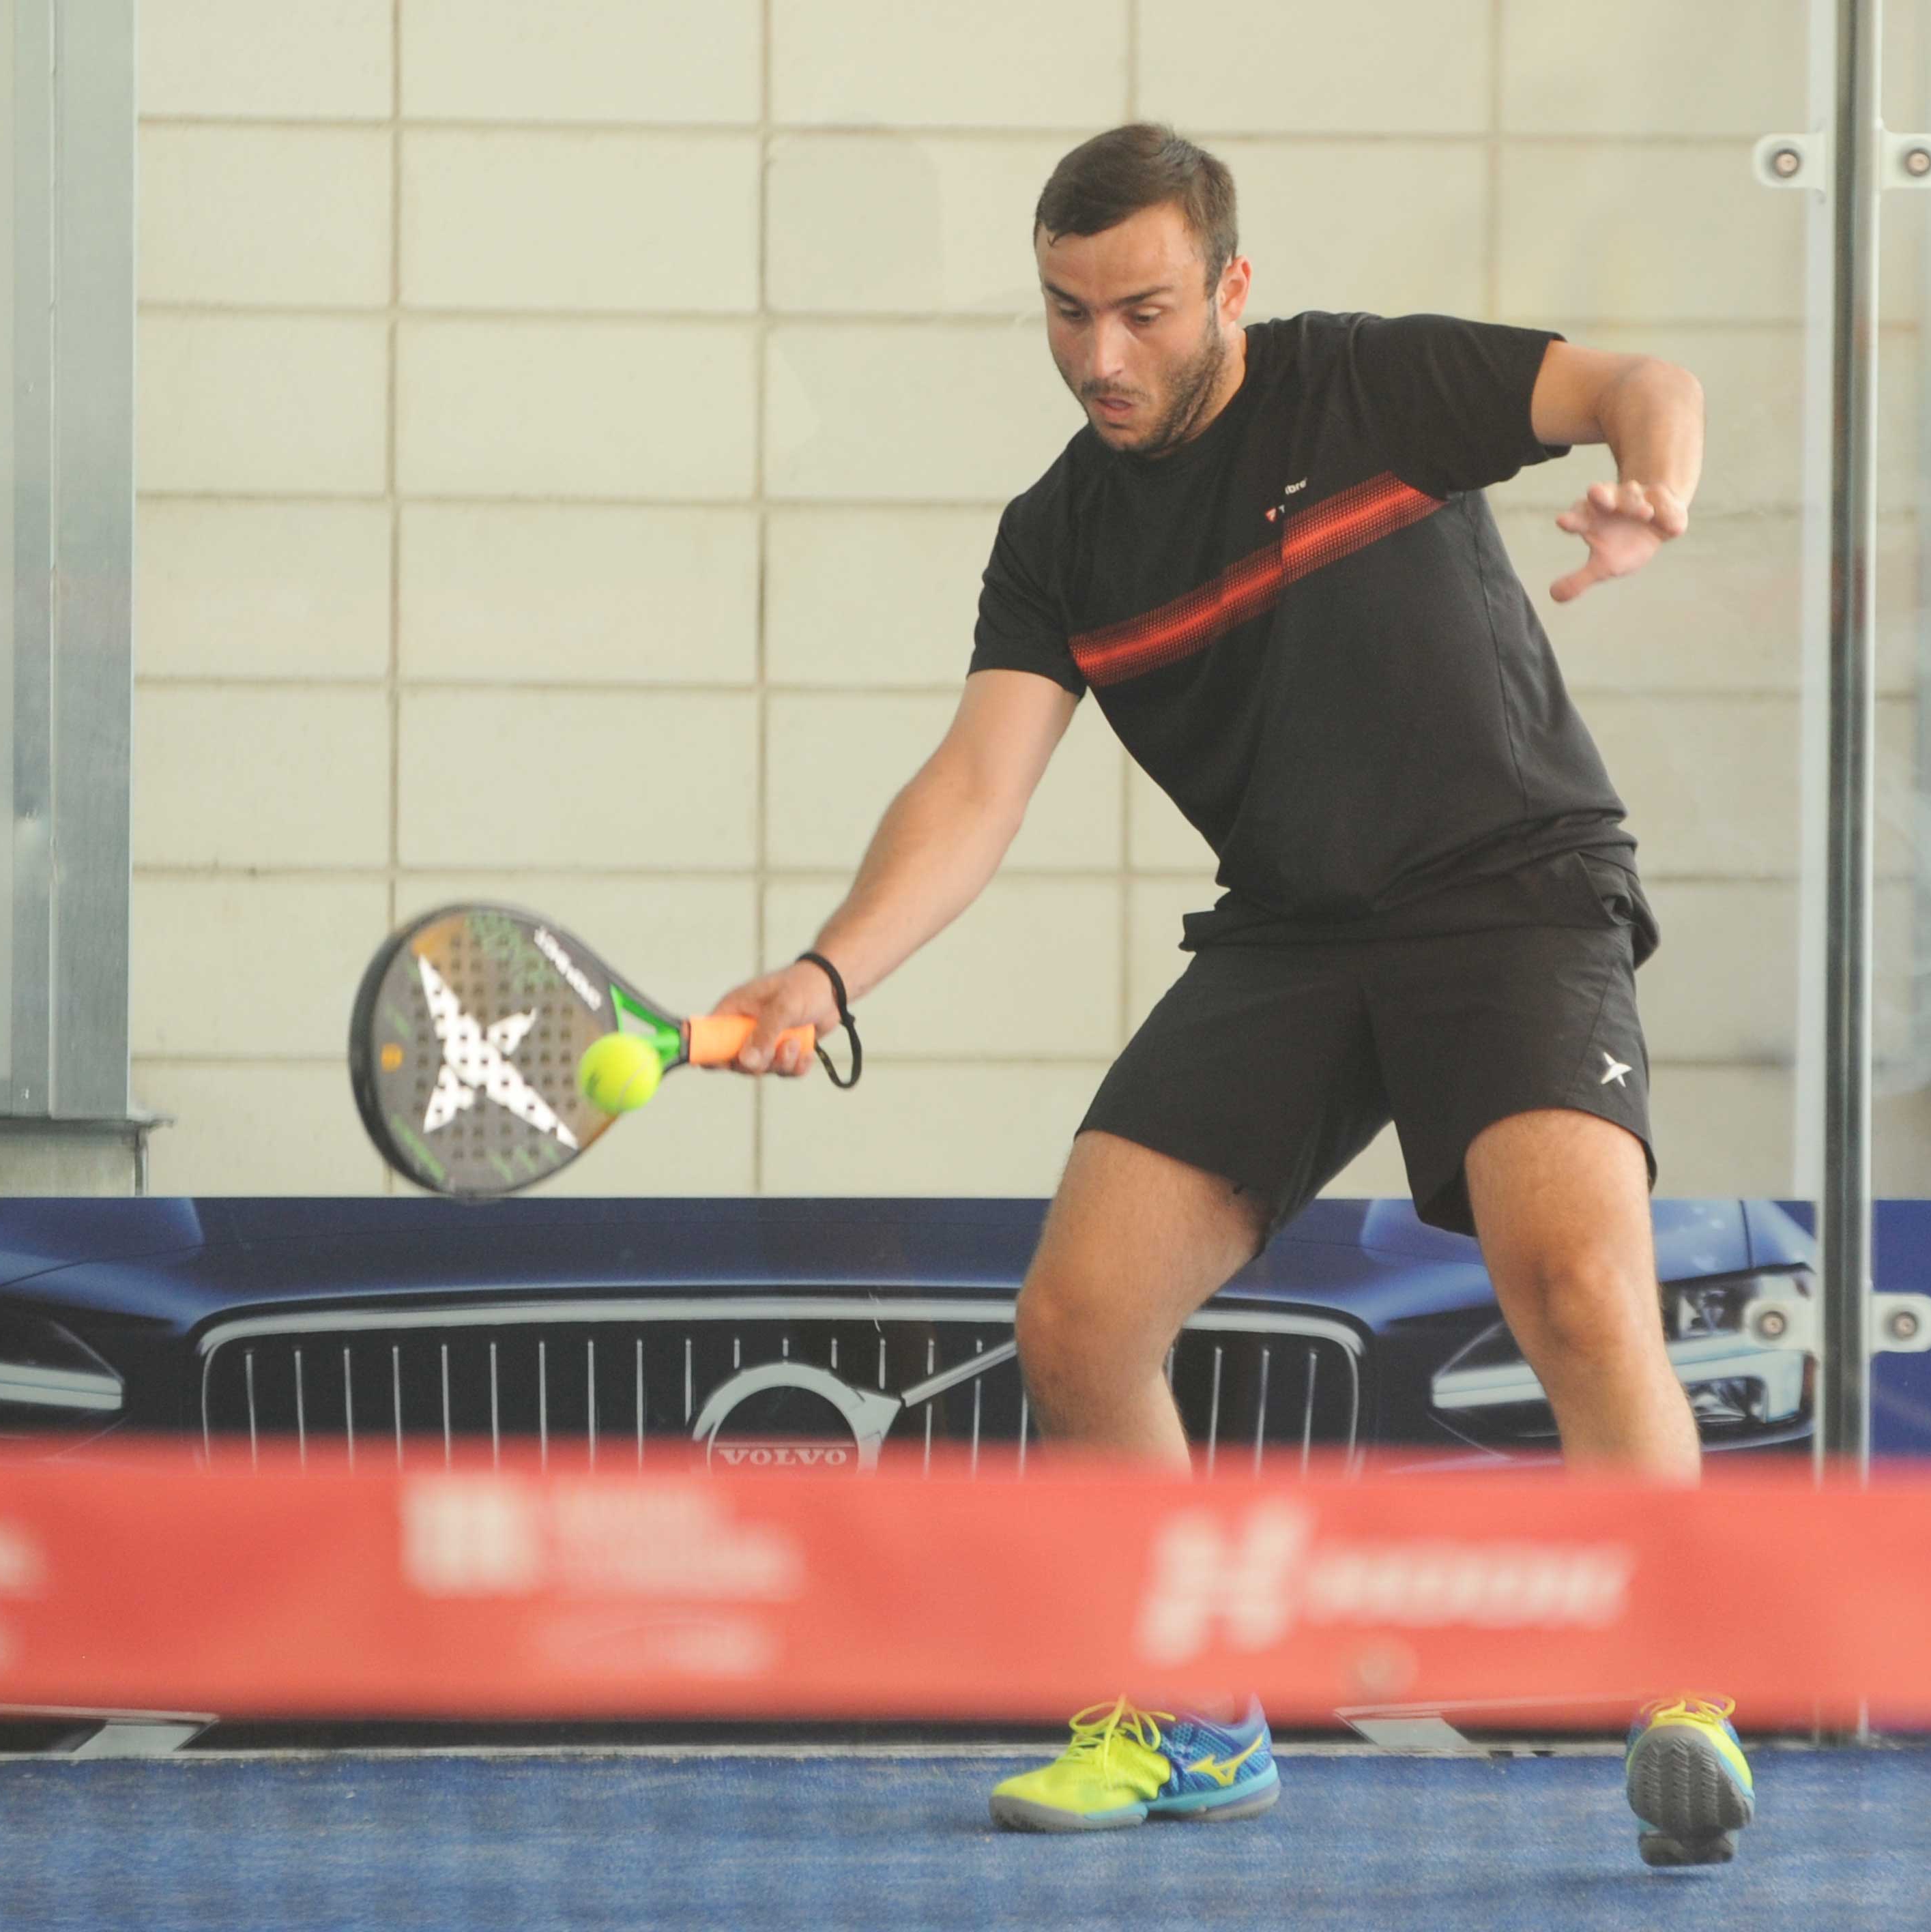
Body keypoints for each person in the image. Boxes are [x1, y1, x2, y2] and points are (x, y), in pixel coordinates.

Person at [709, 123, 1753, 1868]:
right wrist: (830, 967)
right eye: (1066, 313)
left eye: (1143, 310)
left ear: (1230, 289)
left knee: (1574, 1281)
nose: (1100, 355)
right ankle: (1192, 1720)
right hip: (1290, 930)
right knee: (1078, 1323)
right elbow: (975, 787)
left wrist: (1658, 484)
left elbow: (1645, 383)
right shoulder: (1058, 537)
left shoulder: (1369, 385)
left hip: (1507, 892)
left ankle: (1687, 1695)